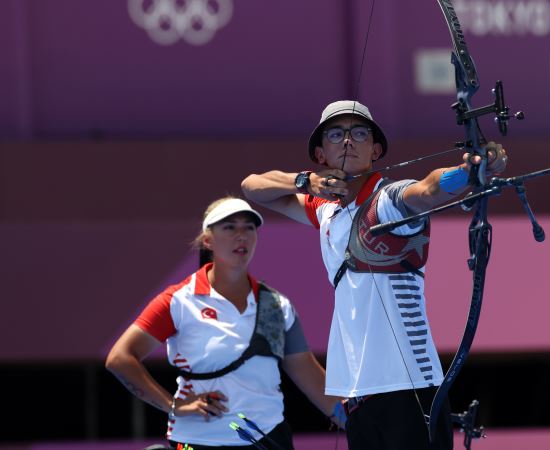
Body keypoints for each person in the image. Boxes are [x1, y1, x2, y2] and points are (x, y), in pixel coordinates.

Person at [240, 100, 507, 450]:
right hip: (357, 394)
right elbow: (252, 186)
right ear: (321, 154)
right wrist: (305, 182)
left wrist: (470, 172)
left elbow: (426, 190)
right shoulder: (325, 209)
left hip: (407, 388)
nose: (348, 140)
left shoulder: (387, 200)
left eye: (359, 133)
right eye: (336, 134)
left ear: (375, 149)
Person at [105, 196, 345, 450]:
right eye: (229, 227)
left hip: (268, 441)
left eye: (249, 227)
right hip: (197, 441)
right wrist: (172, 405)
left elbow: (314, 382)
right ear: (208, 240)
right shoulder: (178, 301)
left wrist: (362, 425)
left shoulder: (277, 306)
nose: (241, 235)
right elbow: (120, 359)